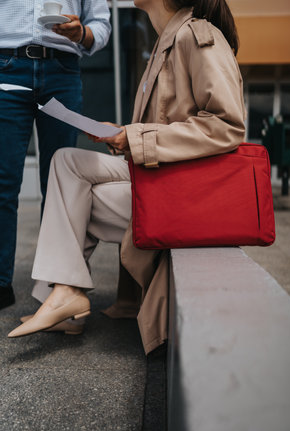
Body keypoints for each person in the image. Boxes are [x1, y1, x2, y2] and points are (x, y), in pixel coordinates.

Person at [8, 0, 246, 354]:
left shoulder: (198, 36)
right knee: (66, 161)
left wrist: (135, 138)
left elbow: (228, 126)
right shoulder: (168, 40)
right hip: (165, 175)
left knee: (78, 194)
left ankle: (65, 298)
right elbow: (170, 126)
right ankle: (64, 293)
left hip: (181, 193)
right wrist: (124, 132)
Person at [0, 0, 111, 310]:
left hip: (62, 71)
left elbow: (101, 25)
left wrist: (82, 34)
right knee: (2, 180)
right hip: (6, 67)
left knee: (61, 184)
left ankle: (57, 283)